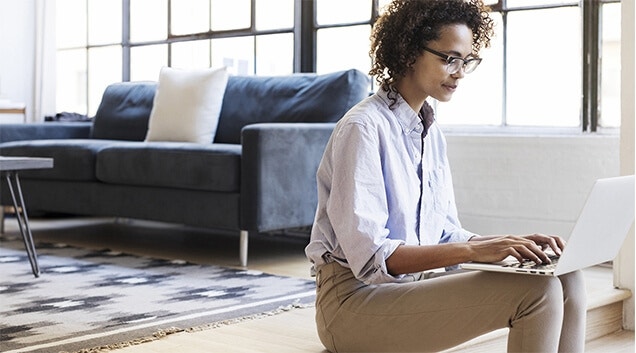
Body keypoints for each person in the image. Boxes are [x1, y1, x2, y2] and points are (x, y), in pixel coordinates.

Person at [304, 0, 587, 352]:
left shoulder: (429, 131)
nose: (460, 72)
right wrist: (476, 249)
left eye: (466, 60)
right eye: (448, 58)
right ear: (408, 52)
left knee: (565, 275)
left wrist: (511, 246)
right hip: (352, 304)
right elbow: (374, 257)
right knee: (537, 292)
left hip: (407, 288)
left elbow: (444, 232)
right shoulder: (363, 128)